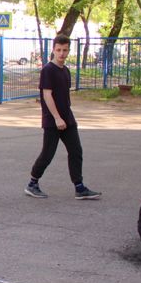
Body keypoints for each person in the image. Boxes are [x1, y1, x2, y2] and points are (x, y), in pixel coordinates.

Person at [25, 35, 101, 200]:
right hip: (53, 120)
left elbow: (63, 96)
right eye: (58, 50)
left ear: (69, 50)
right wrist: (57, 118)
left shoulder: (65, 70)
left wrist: (66, 117)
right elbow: (47, 95)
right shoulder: (48, 70)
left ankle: (79, 187)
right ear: (53, 50)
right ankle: (32, 183)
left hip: (68, 118)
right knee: (48, 153)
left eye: (65, 50)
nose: (61, 53)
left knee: (76, 151)